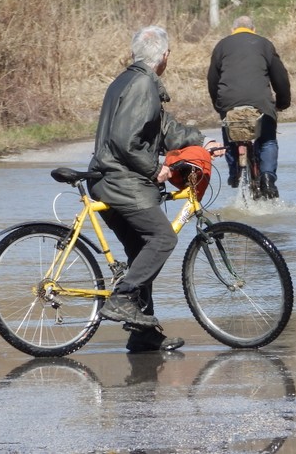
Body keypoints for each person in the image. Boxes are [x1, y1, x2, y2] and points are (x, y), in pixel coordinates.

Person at [87, 25, 223, 353]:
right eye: (169, 53)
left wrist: (202, 141)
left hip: (108, 178)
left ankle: (143, 333)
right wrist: (156, 169)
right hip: (121, 180)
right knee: (163, 238)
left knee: (140, 253)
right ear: (164, 56)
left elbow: (163, 129)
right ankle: (121, 299)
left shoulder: (127, 80)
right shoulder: (144, 84)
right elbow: (125, 141)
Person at [207, 15, 291, 199]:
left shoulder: (222, 45)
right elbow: (280, 77)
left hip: (229, 101)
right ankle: (268, 177)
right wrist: (283, 102)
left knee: (229, 133)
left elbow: (212, 80)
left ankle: (234, 173)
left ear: (233, 30)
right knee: (267, 140)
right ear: (254, 30)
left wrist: (219, 106)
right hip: (260, 101)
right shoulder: (264, 44)